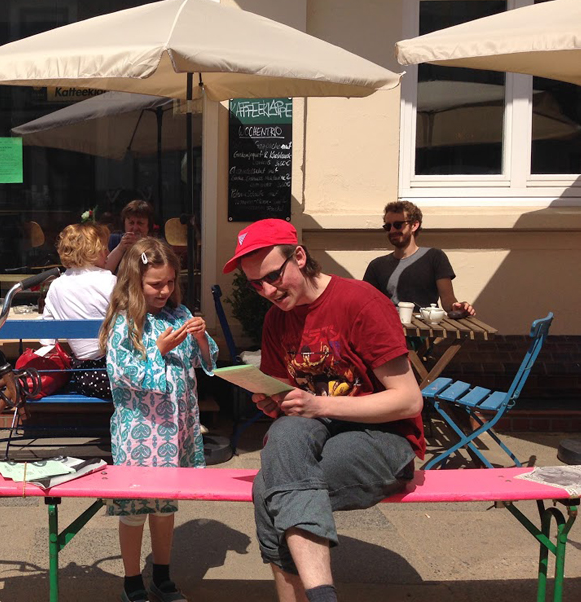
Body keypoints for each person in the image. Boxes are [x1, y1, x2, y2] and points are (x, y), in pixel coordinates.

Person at [223, 219, 424, 602]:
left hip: (384, 438)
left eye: (273, 276)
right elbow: (292, 406)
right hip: (318, 435)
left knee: (270, 488)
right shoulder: (276, 319)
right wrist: (274, 400)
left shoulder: (360, 302)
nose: (267, 291)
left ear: (299, 256)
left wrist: (317, 403)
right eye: (255, 285)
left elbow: (409, 400)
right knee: (284, 435)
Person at [98, 237, 218, 602]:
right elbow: (123, 374)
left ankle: (162, 577)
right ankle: (132, 580)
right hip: (139, 432)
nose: (164, 290)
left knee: (165, 505)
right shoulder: (124, 323)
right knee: (135, 507)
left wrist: (201, 338)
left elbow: (204, 361)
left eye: (169, 282)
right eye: (155, 284)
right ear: (134, 282)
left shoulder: (178, 314)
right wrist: (158, 351)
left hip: (174, 429)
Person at [40, 221, 116, 399]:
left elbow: (46, 339)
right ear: (91, 251)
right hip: (116, 374)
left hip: (84, 376)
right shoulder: (110, 281)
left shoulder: (56, 286)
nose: (108, 253)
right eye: (104, 248)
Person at [363, 200, 476, 316]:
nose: (392, 230)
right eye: (388, 226)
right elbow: (365, 303)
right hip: (391, 325)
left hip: (426, 325)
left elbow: (448, 299)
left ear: (414, 225)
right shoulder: (376, 266)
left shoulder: (434, 257)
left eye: (397, 225)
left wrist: (457, 307)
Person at [104, 199, 155, 272]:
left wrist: (140, 247)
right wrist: (120, 249)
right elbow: (104, 271)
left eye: (140, 223)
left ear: (148, 226)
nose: (135, 228)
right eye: (131, 223)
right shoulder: (113, 240)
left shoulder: (155, 245)